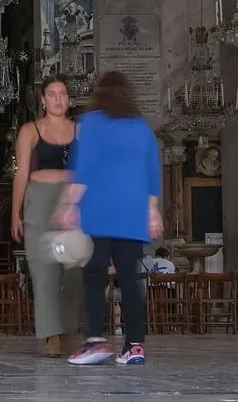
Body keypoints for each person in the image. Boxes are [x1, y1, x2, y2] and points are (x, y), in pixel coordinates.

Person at [59, 70, 162, 367]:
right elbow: (153, 174)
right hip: (132, 215)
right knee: (129, 280)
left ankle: (95, 341)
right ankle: (135, 346)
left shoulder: (90, 123)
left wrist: (68, 205)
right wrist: (152, 211)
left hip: (98, 211)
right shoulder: (142, 128)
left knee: (94, 277)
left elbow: (83, 169)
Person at [12, 74, 82, 356]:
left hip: (73, 199)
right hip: (39, 199)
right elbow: (21, 174)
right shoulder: (30, 130)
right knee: (43, 269)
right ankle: (50, 334)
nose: (58, 99)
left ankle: (71, 330)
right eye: (52, 94)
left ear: (69, 99)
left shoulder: (81, 131)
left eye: (62, 94)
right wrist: (15, 213)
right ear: (43, 100)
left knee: (74, 268)